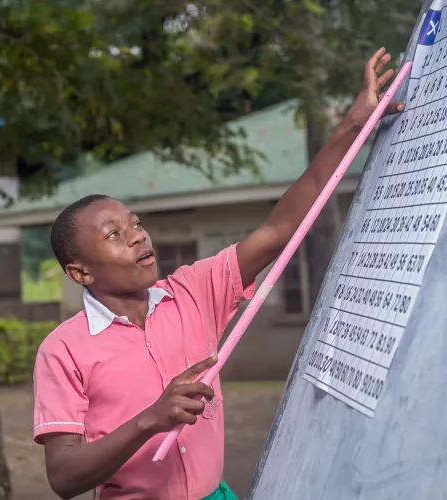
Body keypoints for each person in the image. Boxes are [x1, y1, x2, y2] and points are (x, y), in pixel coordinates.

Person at [32, 47, 405, 500]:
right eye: (114, 233)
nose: (136, 236)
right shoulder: (63, 350)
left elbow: (277, 229)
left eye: (135, 223)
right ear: (79, 271)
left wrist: (353, 126)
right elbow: (64, 477)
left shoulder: (192, 291)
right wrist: (151, 418)